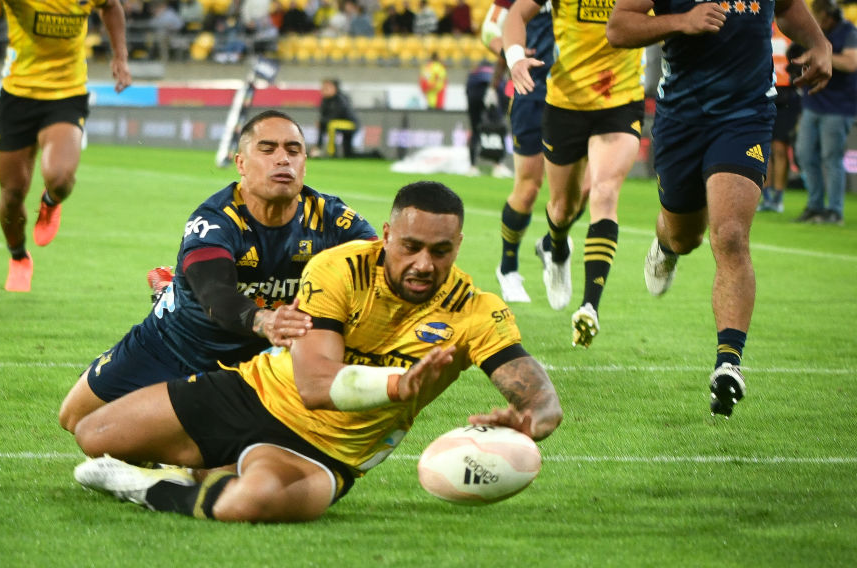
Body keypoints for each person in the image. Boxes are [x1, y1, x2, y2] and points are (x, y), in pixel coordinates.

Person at [71, 181, 563, 523]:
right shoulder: (339, 268)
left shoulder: (476, 311)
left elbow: (536, 394)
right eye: (410, 246)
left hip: (327, 453)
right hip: (254, 393)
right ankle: (203, 470)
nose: (423, 264)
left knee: (252, 502)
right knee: (95, 434)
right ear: (386, 235)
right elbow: (314, 384)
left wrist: (532, 420)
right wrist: (399, 386)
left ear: (458, 244)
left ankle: (153, 487)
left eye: (440, 251)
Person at [58, 110, 378, 434]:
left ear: (304, 163)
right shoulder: (214, 220)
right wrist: (264, 321)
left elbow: (384, 270)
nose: (283, 159)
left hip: (257, 363)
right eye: (268, 149)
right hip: (176, 344)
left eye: (293, 150)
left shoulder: (334, 221)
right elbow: (216, 295)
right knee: (76, 419)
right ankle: (169, 294)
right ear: (241, 163)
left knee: (223, 455)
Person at [607, 0, 831, 417]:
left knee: (729, 235)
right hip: (682, 116)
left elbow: (788, 8)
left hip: (746, 115)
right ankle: (666, 245)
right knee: (685, 236)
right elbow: (618, 28)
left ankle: (728, 363)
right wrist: (682, 21)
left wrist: (820, 44)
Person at [503, 0, 643, 348]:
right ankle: (555, 248)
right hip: (566, 103)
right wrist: (514, 57)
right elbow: (516, 14)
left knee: (604, 192)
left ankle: (589, 307)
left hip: (620, 101)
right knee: (563, 208)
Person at [0, 0, 131, 293]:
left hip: (66, 95)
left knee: (60, 179)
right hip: (18, 95)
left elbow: (111, 7)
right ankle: (18, 256)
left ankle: (50, 202)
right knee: (12, 192)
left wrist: (120, 56)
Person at [480, 0, 559, 304]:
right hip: (533, 92)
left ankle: (551, 243)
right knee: (528, 188)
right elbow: (489, 28)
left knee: (588, 187)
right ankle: (508, 267)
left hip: (581, 94)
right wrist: (512, 54)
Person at [793, 0, 857, 226]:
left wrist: (822, 54)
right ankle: (815, 205)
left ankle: (835, 211)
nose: (818, 22)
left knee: (831, 157)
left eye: (820, 17)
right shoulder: (813, 32)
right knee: (804, 154)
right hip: (813, 102)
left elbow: (851, 62)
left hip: (839, 107)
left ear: (830, 16)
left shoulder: (848, 32)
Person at [758, 24, 804, 214]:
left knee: (779, 147)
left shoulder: (790, 29)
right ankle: (766, 195)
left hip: (786, 95)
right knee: (765, 149)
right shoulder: (761, 26)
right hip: (764, 92)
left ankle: (778, 196)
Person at [316, 78, 360, 158]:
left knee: (332, 125)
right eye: (323, 88)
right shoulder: (325, 100)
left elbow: (335, 116)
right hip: (337, 123)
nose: (323, 90)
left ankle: (331, 153)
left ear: (334, 88)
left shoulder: (341, 99)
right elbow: (324, 117)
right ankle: (318, 149)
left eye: (327, 88)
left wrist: (323, 121)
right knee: (324, 124)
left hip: (351, 124)